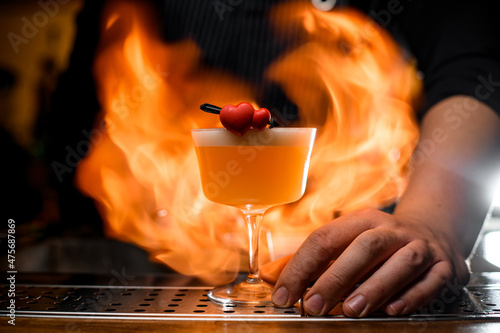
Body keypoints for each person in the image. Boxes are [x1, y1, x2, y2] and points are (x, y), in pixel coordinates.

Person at [51, 0, 500, 317]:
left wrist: (431, 222)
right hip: (156, 270)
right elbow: (82, 104)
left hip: (361, 268)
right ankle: (251, 275)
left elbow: (475, 65)